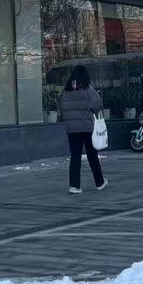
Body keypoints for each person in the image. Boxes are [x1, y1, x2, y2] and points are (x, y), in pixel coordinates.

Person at [58, 64, 106, 195]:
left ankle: (74, 186)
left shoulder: (66, 90)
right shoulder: (87, 89)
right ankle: (99, 182)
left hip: (72, 129)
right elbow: (98, 104)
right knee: (92, 155)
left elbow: (61, 107)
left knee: (75, 156)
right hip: (87, 127)